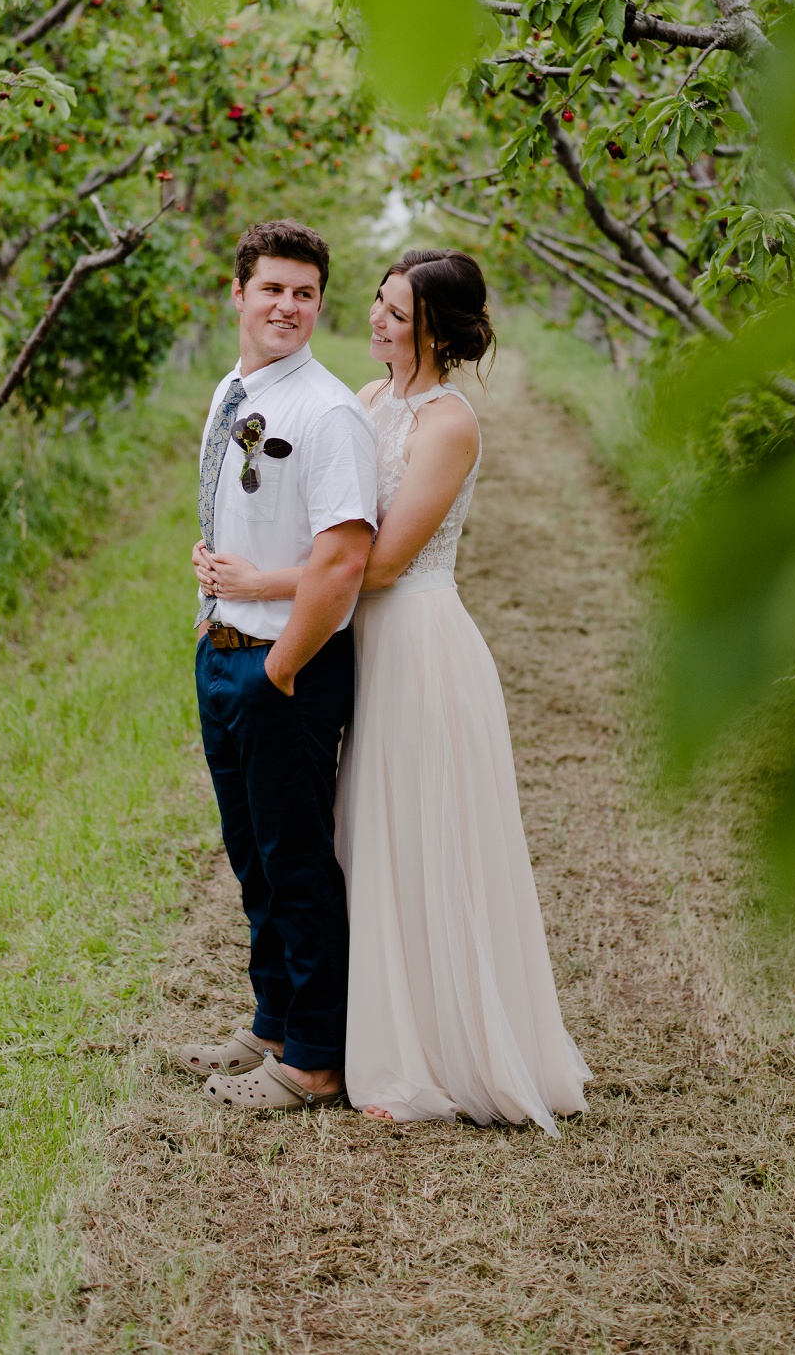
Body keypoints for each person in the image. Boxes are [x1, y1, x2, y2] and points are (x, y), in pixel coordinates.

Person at [205, 248, 589, 1132]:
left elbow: (379, 561)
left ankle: (434, 1055)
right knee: (353, 838)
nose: (376, 320)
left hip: (416, 639)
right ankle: (346, 1029)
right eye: (377, 303)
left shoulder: (449, 424)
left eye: (396, 311)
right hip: (354, 635)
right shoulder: (368, 401)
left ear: (435, 329)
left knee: (419, 836)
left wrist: (263, 582)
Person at [174, 219, 378, 1113]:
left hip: (282, 667)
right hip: (223, 648)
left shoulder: (328, 411)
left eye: (304, 292)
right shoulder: (235, 386)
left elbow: (342, 562)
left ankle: (315, 1058)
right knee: (252, 856)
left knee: (296, 861)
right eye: (273, 288)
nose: (288, 305)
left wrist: (280, 667)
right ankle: (270, 1019)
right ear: (238, 292)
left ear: (320, 303)